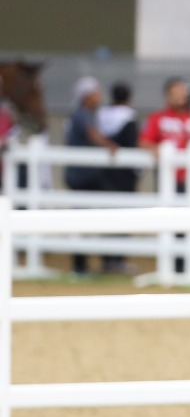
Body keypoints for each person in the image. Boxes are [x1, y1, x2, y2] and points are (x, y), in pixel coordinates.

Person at [139, 77, 190, 273]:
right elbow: (144, 141)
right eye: (177, 92)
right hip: (171, 180)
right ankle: (175, 265)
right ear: (168, 94)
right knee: (174, 223)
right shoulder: (157, 118)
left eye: (183, 92)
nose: (181, 96)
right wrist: (159, 150)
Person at [64, 76, 118, 274]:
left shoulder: (86, 114)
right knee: (85, 219)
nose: (99, 97)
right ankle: (85, 265)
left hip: (85, 175)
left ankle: (96, 262)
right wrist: (109, 145)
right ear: (86, 96)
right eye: (95, 93)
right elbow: (92, 133)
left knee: (93, 217)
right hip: (82, 176)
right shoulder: (83, 115)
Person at [96, 81, 141, 273]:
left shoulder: (102, 115)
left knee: (107, 215)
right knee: (124, 215)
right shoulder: (129, 117)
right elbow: (131, 143)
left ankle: (106, 259)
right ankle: (118, 259)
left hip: (105, 172)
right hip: (124, 174)